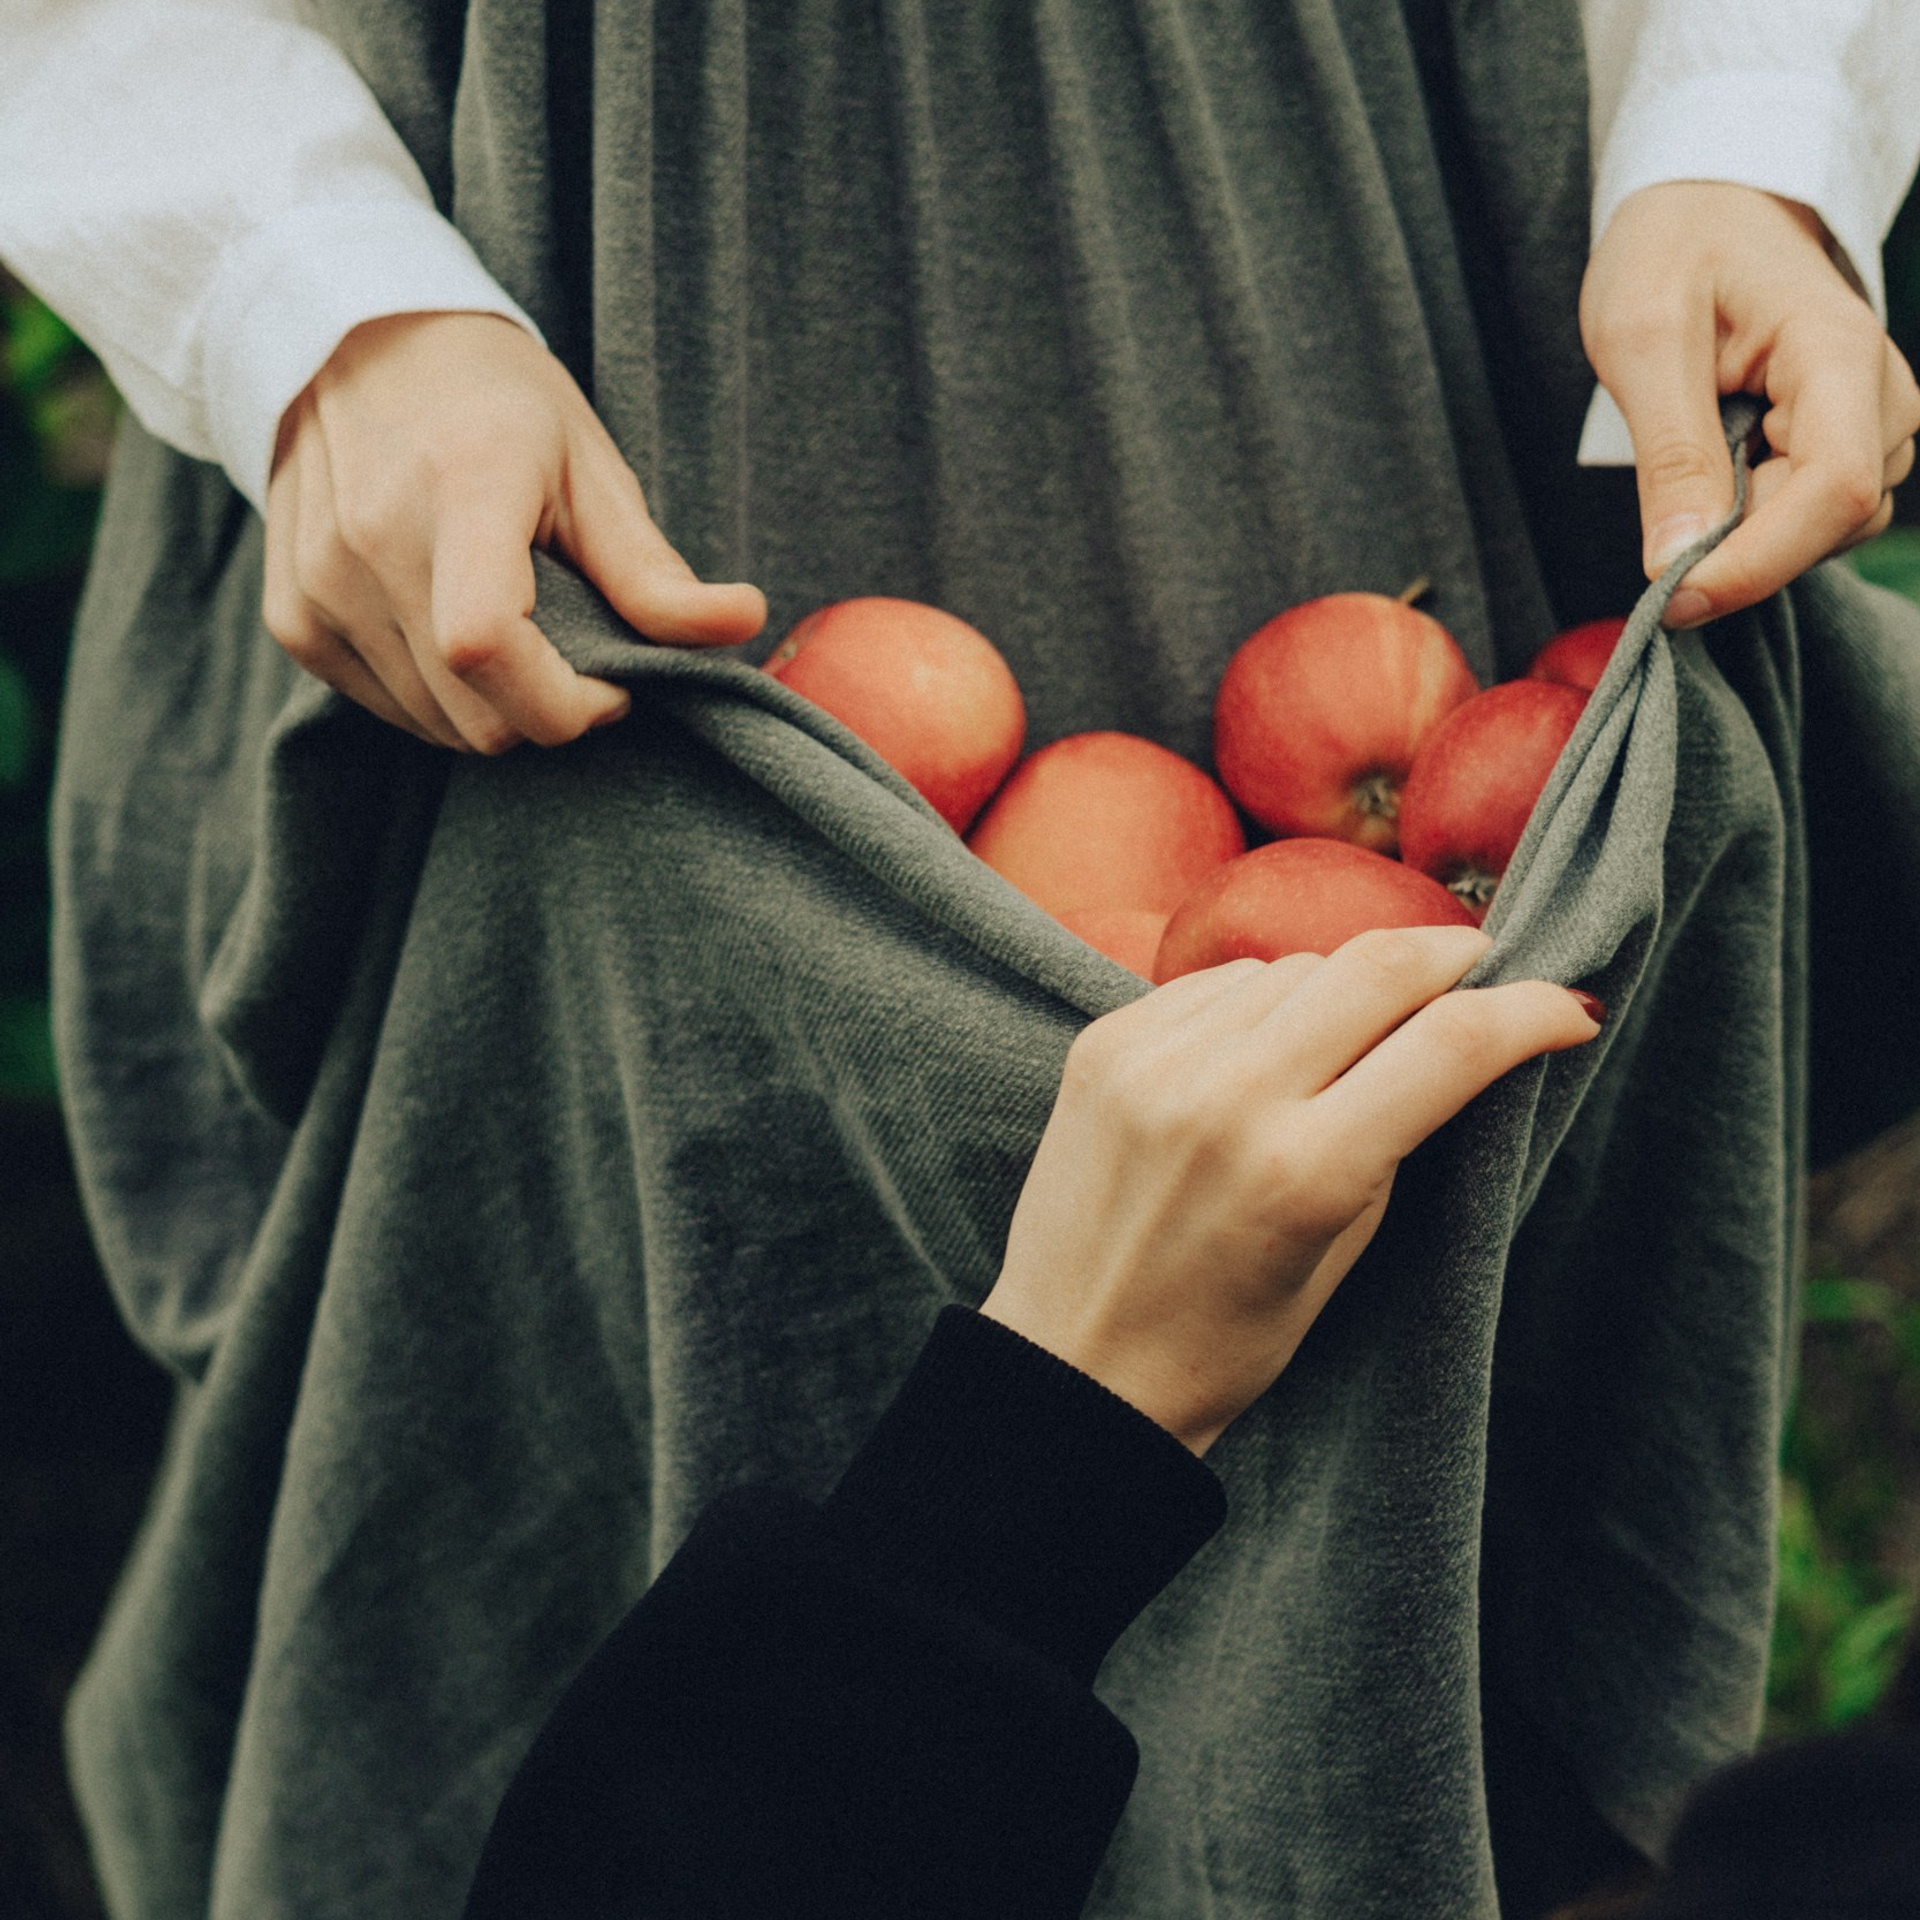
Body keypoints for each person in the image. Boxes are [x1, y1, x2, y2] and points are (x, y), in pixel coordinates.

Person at [3, 3, 1920, 1917]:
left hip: (1379, 242)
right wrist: (305, 282)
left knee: (1421, 1354)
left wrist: (1741, 121)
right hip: (525, 369)